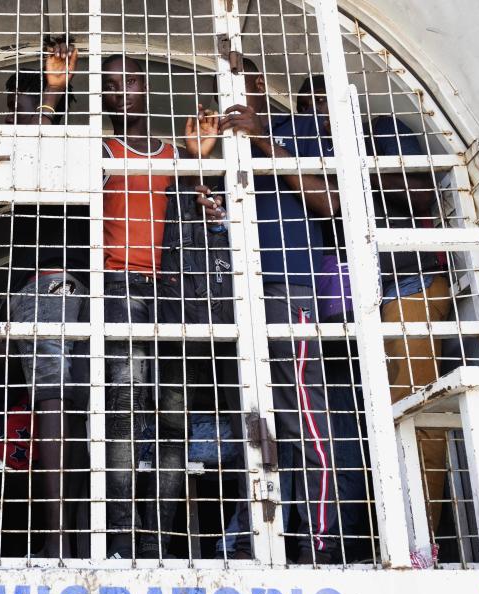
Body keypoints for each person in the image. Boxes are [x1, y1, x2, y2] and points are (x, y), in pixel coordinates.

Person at [209, 59, 362, 564]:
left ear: (256, 85)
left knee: (307, 420)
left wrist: (262, 141)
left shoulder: (295, 131)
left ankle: (321, 543)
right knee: (252, 424)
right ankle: (260, 540)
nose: (225, 95)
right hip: (237, 293)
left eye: (233, 80)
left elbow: (332, 203)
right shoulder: (217, 141)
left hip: (289, 288)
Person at [295, 75, 451, 540]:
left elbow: (422, 192)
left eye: (326, 103)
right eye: (309, 110)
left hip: (408, 287)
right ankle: (373, 536)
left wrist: (355, 158)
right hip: (350, 306)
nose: (320, 115)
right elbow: (329, 212)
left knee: (412, 410)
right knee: (355, 421)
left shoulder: (379, 130)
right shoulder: (311, 155)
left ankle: (422, 539)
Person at [0, 38, 89, 558]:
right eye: (12, 108)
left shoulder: (64, 151)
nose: (17, 118)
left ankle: (59, 541)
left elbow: (42, 149)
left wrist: (53, 94)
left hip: (53, 282)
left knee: (55, 394)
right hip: (7, 309)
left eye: (23, 108)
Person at [99, 53, 218, 559]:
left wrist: (199, 159)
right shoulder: (102, 149)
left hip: (170, 289)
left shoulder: (174, 154)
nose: (121, 90)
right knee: (125, 414)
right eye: (109, 85)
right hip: (119, 287)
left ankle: (159, 533)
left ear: (144, 86)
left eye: (129, 80)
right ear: (101, 96)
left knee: (173, 414)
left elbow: (199, 215)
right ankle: (124, 533)